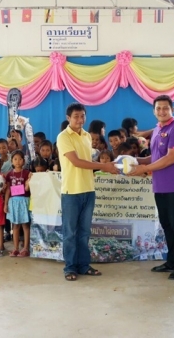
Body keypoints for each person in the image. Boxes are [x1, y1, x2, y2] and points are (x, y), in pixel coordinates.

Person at [129, 95, 174, 280]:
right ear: (154, 111)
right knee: (167, 225)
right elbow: (155, 157)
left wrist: (144, 169)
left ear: (172, 110)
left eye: (165, 108)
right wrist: (134, 161)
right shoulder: (157, 129)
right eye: (158, 108)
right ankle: (171, 261)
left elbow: (171, 158)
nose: (162, 111)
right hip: (160, 186)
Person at [57, 103, 118, 281]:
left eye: (82, 116)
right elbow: (76, 162)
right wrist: (104, 166)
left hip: (89, 190)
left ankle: (83, 265)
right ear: (68, 118)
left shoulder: (87, 136)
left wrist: (107, 166)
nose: (80, 119)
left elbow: (87, 161)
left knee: (84, 232)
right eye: (76, 116)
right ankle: (70, 267)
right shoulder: (63, 137)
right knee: (70, 233)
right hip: (71, 191)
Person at [4, 150, 32, 257]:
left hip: (24, 201)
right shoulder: (9, 174)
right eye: (15, 159)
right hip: (13, 202)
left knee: (25, 225)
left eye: (20, 159)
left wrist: (29, 180)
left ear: (23, 161)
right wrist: (5, 204)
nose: (18, 161)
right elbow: (8, 190)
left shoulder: (27, 173)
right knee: (15, 226)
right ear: (11, 161)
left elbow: (29, 188)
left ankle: (25, 248)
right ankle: (15, 248)